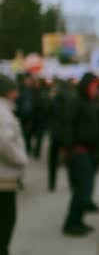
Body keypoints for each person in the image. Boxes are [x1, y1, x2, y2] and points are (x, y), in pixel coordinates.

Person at [62, 72, 99, 236]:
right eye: (95, 86)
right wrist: (69, 149)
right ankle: (72, 223)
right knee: (82, 190)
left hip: (89, 152)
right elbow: (67, 126)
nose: (97, 89)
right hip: (79, 152)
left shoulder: (92, 102)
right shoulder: (76, 102)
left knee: (85, 189)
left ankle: (78, 221)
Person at [0, 74, 28, 255]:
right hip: (3, 179)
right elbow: (4, 142)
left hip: (5, 178)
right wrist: (21, 158)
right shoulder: (2, 112)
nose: (17, 94)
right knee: (4, 226)